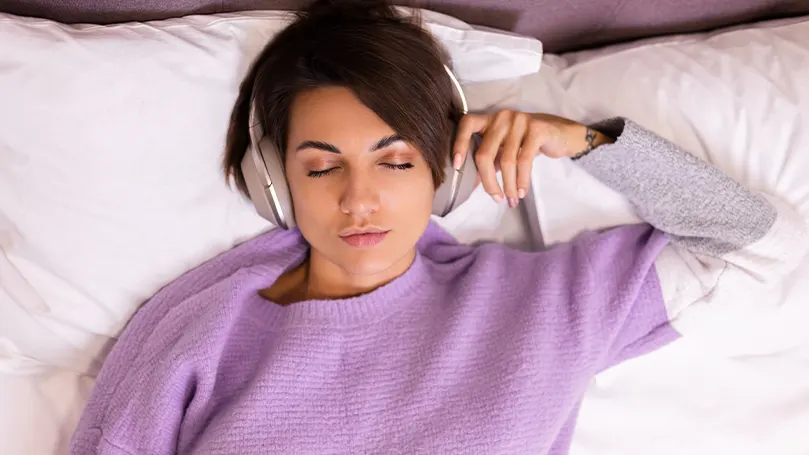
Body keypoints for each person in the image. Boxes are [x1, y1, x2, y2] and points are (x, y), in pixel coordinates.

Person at [69, 1, 806, 454]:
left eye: (393, 162)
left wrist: (586, 143)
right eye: (323, 167)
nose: (360, 200)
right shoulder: (205, 329)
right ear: (274, 181)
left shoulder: (544, 307)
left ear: (444, 168)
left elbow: (763, 257)